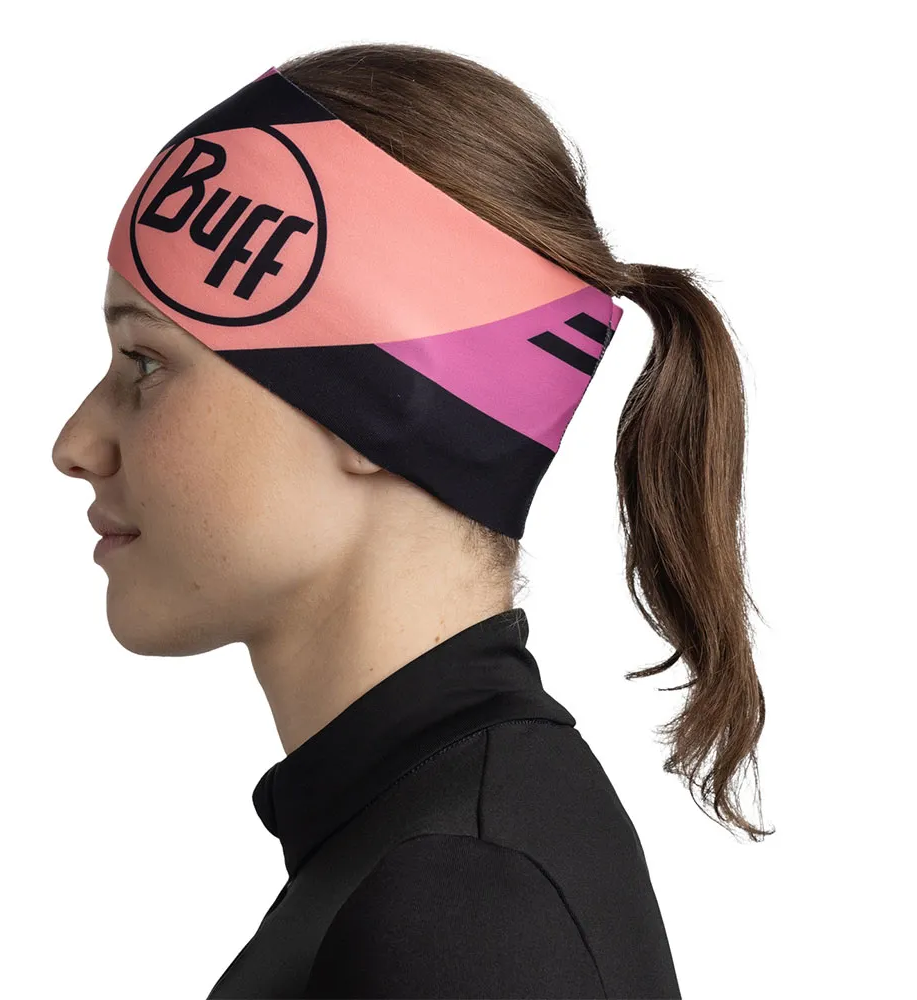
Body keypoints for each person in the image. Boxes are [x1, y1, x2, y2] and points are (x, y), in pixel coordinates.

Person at [52, 41, 771, 999]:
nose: (75, 443)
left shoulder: (462, 903)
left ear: (384, 409)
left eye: (145, 364)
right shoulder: (431, 852)